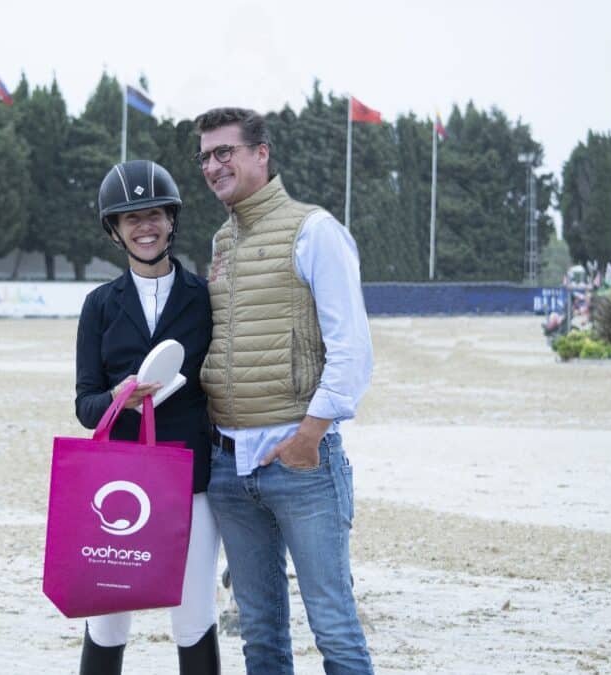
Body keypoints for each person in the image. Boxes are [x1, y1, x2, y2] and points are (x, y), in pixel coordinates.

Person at [194, 107, 375, 674]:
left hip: (301, 464)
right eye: (204, 156)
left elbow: (353, 351)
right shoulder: (222, 241)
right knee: (261, 637)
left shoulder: (314, 230)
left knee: (335, 628)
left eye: (225, 151)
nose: (213, 165)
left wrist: (309, 435)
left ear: (260, 154)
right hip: (229, 468)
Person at [74, 159, 221, 675]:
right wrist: (118, 397)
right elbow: (84, 403)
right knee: (108, 620)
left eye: (154, 213)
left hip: (192, 479)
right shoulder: (99, 305)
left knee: (194, 614)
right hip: (121, 481)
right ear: (114, 229)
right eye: (131, 217)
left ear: (171, 220)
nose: (145, 226)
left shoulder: (203, 299)